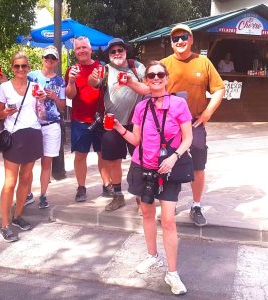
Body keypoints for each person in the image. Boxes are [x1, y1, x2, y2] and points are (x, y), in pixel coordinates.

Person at [113, 61, 192, 295]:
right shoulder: (141, 107)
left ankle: (173, 273)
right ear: (146, 80)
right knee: (147, 213)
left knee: (168, 220)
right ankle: (152, 255)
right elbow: (136, 141)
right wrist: (119, 127)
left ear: (166, 78)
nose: (156, 78)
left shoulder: (178, 104)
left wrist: (175, 157)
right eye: (151, 75)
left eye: (160, 74)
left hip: (167, 169)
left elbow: (188, 138)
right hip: (142, 167)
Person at [161, 24, 225, 227]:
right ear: (171, 43)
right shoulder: (163, 65)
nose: (179, 41)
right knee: (164, 164)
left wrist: (207, 113)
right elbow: (150, 89)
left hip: (194, 123)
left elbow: (219, 89)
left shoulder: (203, 62)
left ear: (191, 39)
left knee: (198, 166)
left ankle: (196, 206)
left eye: (183, 37)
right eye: (175, 38)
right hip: (168, 125)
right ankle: (166, 204)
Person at [88, 38, 146, 212]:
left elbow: (149, 86)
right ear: (109, 55)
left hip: (137, 124)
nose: (117, 54)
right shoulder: (104, 69)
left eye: (120, 50)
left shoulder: (137, 67)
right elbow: (94, 83)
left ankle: (140, 195)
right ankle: (118, 196)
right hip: (112, 123)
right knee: (113, 161)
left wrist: (131, 81)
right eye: (113, 52)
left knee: (141, 161)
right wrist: (92, 79)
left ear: (125, 51)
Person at [0, 52, 43, 242]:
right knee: (10, 182)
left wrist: (42, 99)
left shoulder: (35, 86)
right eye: (17, 66)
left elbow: (40, 110)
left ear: (28, 67)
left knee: (26, 179)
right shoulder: (5, 87)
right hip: (15, 136)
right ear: (12, 67)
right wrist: (5, 112)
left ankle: (17, 215)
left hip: (33, 133)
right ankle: (4, 224)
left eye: (24, 66)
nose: (21, 69)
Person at [65, 36, 111, 202]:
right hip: (80, 119)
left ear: (91, 49)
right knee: (80, 155)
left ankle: (107, 185)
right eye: (78, 48)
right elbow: (70, 95)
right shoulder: (72, 70)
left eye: (84, 47)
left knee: (103, 154)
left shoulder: (102, 68)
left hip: (101, 118)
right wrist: (71, 80)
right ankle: (81, 187)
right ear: (75, 52)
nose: (82, 50)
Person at [26, 46, 66, 209]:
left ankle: (43, 195)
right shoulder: (31, 76)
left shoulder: (60, 81)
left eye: (53, 58)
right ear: (42, 58)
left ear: (56, 61)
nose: (49, 61)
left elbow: (62, 107)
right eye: (47, 57)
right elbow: (20, 93)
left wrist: (54, 97)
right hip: (32, 124)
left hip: (51, 125)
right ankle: (27, 193)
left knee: (46, 162)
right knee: (28, 162)